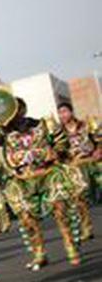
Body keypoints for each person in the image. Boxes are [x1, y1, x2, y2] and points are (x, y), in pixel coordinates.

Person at [0, 96, 83, 269]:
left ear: (23, 110)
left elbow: (62, 142)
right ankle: (39, 253)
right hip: (22, 180)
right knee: (27, 219)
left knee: (61, 211)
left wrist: (56, 152)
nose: (12, 114)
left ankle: (70, 245)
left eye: (16, 109)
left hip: (48, 174)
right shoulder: (3, 131)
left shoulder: (42, 124)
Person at [57, 101, 99, 240]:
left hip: (93, 163)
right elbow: (58, 151)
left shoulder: (86, 125)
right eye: (60, 112)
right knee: (79, 199)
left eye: (64, 111)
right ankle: (86, 228)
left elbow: (99, 139)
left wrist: (98, 151)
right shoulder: (59, 133)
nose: (62, 115)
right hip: (74, 168)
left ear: (71, 112)